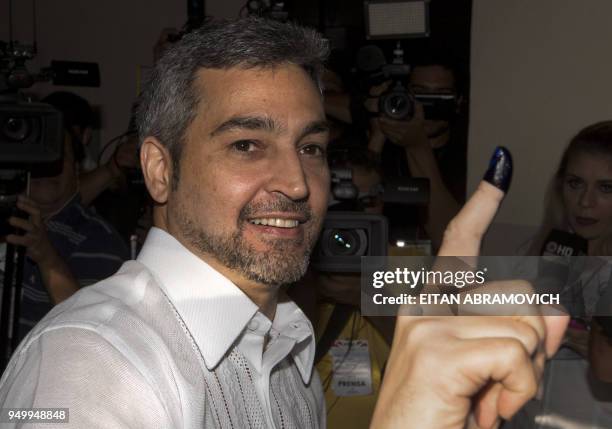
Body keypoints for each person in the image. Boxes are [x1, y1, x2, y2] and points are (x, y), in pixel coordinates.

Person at [0, 17, 567, 429]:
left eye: (312, 148)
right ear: (159, 169)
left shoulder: (286, 341)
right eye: (247, 144)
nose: (297, 183)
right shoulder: (92, 362)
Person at [506, 121, 612, 428]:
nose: (585, 202)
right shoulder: (537, 256)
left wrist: (597, 346)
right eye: (575, 183)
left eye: (606, 188)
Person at [3, 92, 129, 340]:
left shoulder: (100, 239)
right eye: (39, 157)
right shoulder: (8, 220)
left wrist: (46, 256)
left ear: (77, 167)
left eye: (58, 157)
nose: (47, 168)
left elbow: (93, 331)